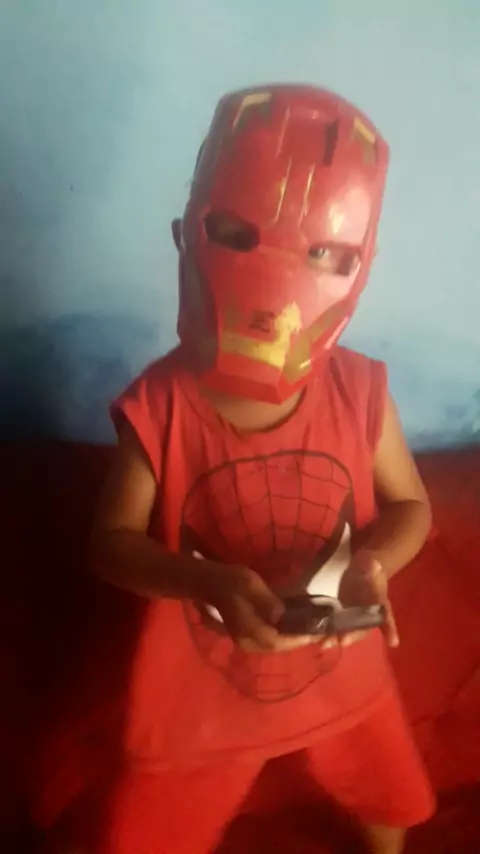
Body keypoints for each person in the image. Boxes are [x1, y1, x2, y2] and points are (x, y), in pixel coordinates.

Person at [58, 85, 435, 854]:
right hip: (199, 698)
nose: (274, 295)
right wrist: (207, 582)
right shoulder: (159, 403)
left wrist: (373, 564)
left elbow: (411, 507)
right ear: (187, 238)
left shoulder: (361, 391)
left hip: (340, 670)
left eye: (321, 253)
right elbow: (109, 543)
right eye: (236, 238)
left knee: (386, 794)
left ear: (356, 266)